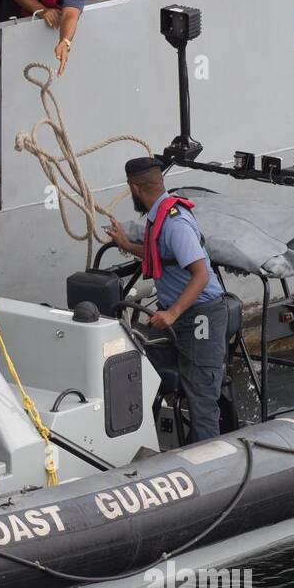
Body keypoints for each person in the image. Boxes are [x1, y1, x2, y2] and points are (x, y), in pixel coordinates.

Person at [105, 157, 227, 443]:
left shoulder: (175, 222)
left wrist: (172, 312)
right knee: (137, 367)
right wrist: (125, 245)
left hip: (200, 316)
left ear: (134, 188)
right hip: (178, 316)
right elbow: (161, 256)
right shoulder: (158, 215)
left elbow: (200, 275)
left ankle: (209, 466)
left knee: (201, 399)